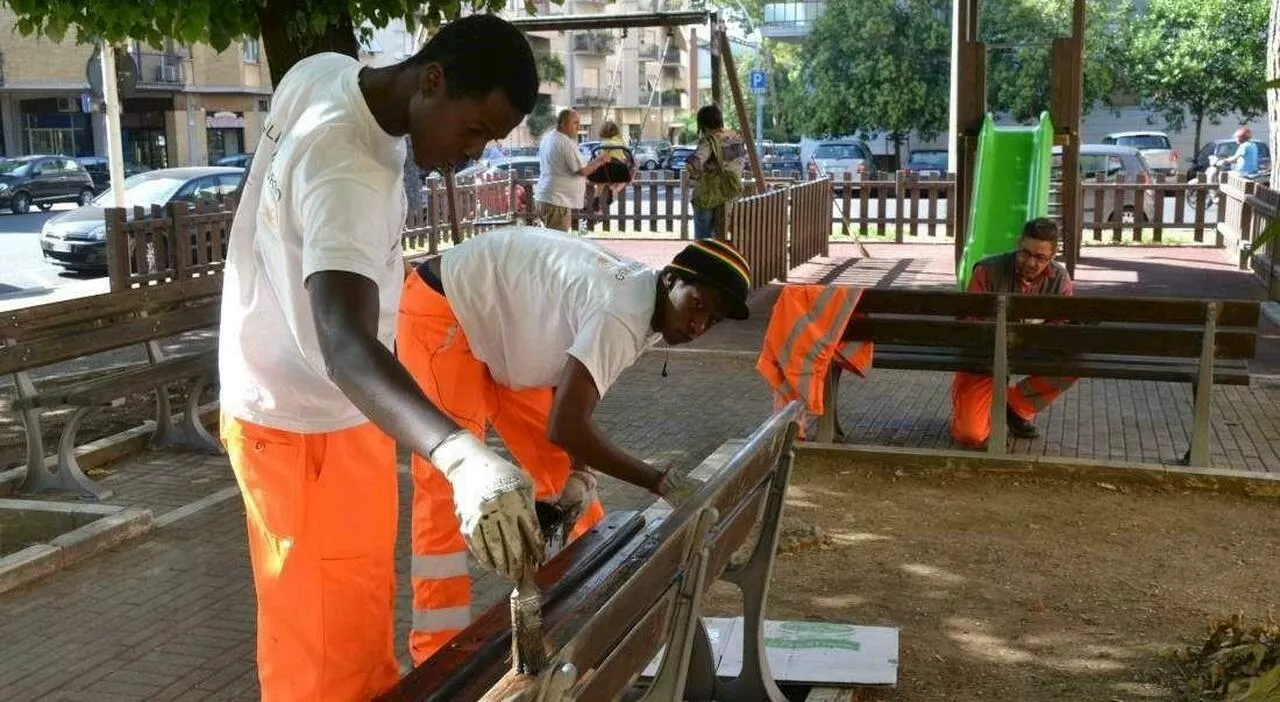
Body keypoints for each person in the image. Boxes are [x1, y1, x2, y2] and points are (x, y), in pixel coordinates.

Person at [217, 15, 546, 701]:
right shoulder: (351, 173)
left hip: (332, 416)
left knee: (360, 633)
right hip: (302, 430)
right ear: (432, 80)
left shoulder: (322, 72)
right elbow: (344, 345)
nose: (474, 154)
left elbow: (268, 203)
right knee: (327, 669)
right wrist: (460, 455)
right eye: (475, 130)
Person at [398, 228, 752, 663]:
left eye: (711, 320)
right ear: (670, 280)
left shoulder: (644, 303)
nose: (699, 325)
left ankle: (597, 603)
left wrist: (582, 470)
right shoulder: (623, 312)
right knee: (446, 488)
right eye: (697, 306)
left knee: (567, 477)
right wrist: (658, 480)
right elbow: (568, 425)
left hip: (500, 333)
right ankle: (436, 656)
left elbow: (570, 417)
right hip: (445, 312)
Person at [951, 218, 1077, 447]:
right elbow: (969, 323)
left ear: (1053, 255)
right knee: (971, 435)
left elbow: (1064, 326)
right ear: (1018, 244)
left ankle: (1015, 407)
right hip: (984, 358)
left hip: (1028, 352)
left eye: (1041, 258)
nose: (1031, 262)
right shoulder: (988, 271)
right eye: (1025, 253)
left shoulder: (1060, 278)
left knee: (1073, 362)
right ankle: (981, 405)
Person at [535, 109, 609, 232]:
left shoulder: (549, 137)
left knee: (554, 241)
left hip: (549, 197)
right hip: (557, 201)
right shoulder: (564, 142)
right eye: (575, 123)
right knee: (559, 244)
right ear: (563, 124)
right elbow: (582, 171)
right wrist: (600, 160)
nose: (578, 127)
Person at [685, 104, 746, 241]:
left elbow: (692, 165)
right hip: (730, 195)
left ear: (703, 124)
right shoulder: (736, 138)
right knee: (721, 240)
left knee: (704, 242)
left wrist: (698, 174)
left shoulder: (709, 141)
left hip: (708, 197)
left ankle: (705, 262)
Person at [588, 120, 633, 214]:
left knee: (600, 183)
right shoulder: (620, 142)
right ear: (616, 131)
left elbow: (602, 158)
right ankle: (613, 190)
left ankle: (597, 198)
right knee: (624, 181)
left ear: (603, 132)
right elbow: (626, 157)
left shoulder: (604, 143)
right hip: (619, 171)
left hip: (605, 171)